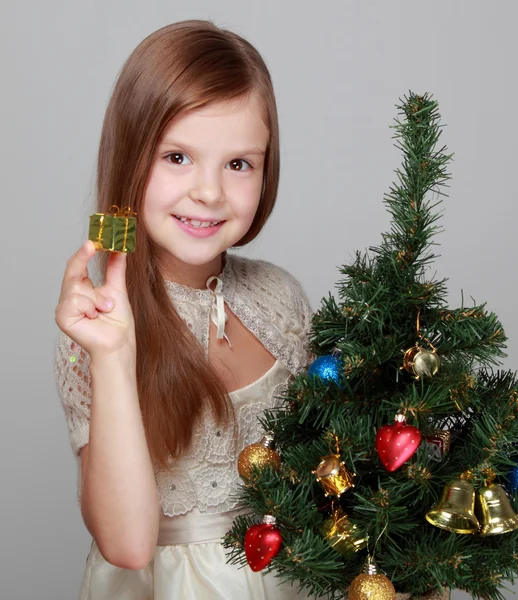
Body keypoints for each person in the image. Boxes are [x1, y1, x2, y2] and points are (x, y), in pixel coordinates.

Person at [54, 19, 316, 600]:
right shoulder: (99, 328)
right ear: (131, 157)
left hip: (289, 573)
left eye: (239, 163)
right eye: (177, 157)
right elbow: (126, 544)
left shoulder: (280, 297)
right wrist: (115, 355)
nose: (210, 192)